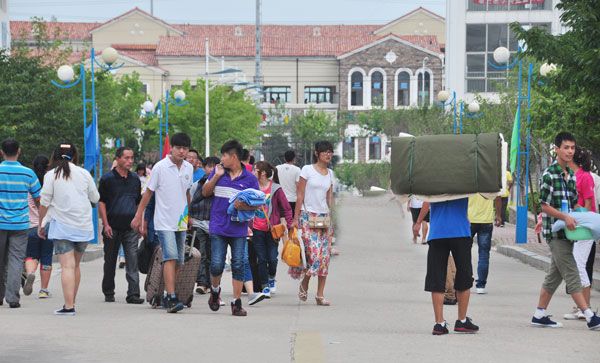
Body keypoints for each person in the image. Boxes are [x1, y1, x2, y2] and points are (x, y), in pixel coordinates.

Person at [531, 132, 600, 330]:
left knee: (554, 276)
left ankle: (539, 314)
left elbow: (572, 206)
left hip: (568, 233)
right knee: (571, 272)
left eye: (572, 148)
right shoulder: (549, 174)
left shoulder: (570, 176)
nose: (570, 151)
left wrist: (583, 214)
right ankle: (590, 316)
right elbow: (543, 205)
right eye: (566, 147)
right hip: (555, 233)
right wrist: (565, 217)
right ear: (557, 149)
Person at [131, 133, 193, 314]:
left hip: (181, 221)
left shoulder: (188, 168)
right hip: (164, 221)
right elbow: (148, 194)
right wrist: (138, 216)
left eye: (185, 148)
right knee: (170, 256)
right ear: (171, 148)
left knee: (180, 260)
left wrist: (188, 217)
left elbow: (187, 193)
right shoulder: (160, 167)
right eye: (178, 148)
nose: (182, 151)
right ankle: (172, 297)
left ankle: (167, 293)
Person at [38, 143, 99, 315]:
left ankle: (69, 306)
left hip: (62, 226)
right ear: (75, 156)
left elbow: (44, 202)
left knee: (67, 267)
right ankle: (72, 302)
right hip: (83, 227)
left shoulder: (51, 175)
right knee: (75, 265)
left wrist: (41, 223)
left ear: (55, 156)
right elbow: (95, 197)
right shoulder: (85, 174)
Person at [203, 140, 260, 317]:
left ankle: (236, 302)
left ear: (233, 157)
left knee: (238, 264)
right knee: (217, 264)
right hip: (218, 227)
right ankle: (214, 290)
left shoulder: (250, 178)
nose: (222, 159)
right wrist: (216, 176)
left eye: (224, 155)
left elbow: (257, 204)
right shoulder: (218, 172)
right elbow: (205, 192)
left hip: (238, 230)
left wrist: (244, 206)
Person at [290, 141, 335, 306]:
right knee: (314, 255)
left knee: (325, 257)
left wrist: (333, 218)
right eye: (325, 152)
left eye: (330, 152)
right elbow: (300, 194)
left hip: (324, 218)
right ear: (317, 153)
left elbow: (330, 197)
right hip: (307, 216)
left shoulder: (330, 173)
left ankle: (320, 295)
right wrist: (295, 218)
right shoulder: (307, 170)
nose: (328, 155)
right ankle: (305, 280)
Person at [0, 139, 42, 308]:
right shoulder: (28, 173)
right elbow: (39, 198)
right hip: (20, 224)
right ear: (19, 151)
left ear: (2, 152)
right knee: (16, 260)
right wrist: (42, 218)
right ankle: (13, 298)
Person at [99, 147, 143, 304]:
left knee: (132, 260)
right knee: (110, 261)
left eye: (132, 158)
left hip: (130, 227)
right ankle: (108, 291)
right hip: (112, 226)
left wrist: (140, 221)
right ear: (117, 159)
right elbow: (102, 202)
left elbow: (138, 202)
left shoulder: (135, 179)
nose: (130, 161)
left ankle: (133, 294)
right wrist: (105, 224)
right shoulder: (107, 179)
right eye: (126, 158)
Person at [563, 146, 596, 320]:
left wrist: (582, 219)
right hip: (578, 228)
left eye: (570, 152)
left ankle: (585, 307)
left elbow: (589, 204)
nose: (567, 154)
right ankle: (582, 307)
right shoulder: (574, 176)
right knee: (578, 264)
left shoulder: (585, 177)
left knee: (578, 264)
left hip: (585, 228)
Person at [252, 161, 293, 297]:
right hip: (257, 229)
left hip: (272, 229)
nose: (252, 172)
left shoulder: (276, 189)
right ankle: (265, 287)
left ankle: (271, 278)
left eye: (255, 170)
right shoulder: (252, 188)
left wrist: (290, 224)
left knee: (272, 258)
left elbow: (286, 208)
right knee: (261, 259)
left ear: (262, 173)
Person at [22, 155, 53, 299]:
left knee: (31, 255)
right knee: (46, 257)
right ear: (48, 167)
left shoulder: (28, 185)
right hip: (47, 226)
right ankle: (44, 290)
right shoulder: (51, 183)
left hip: (30, 226)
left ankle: (30, 273)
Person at [189, 156, 219, 295]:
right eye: (209, 166)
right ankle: (202, 283)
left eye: (215, 166)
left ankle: (210, 283)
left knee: (213, 256)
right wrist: (189, 218)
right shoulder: (197, 184)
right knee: (201, 254)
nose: (211, 169)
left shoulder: (222, 185)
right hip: (199, 223)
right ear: (204, 167)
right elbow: (189, 201)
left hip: (215, 225)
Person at [468, 194, 502, 294]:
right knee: (484, 254)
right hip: (486, 221)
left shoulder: (469, 179)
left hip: (468, 220)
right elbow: (498, 197)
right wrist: (498, 215)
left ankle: (467, 281)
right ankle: (481, 286)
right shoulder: (489, 181)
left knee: (464, 253)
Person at [276, 150, 301, 217]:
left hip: (280, 200)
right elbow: (298, 186)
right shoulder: (297, 170)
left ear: (284, 158)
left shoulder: (277, 168)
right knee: (291, 222)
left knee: (280, 223)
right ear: (294, 158)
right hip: (292, 200)